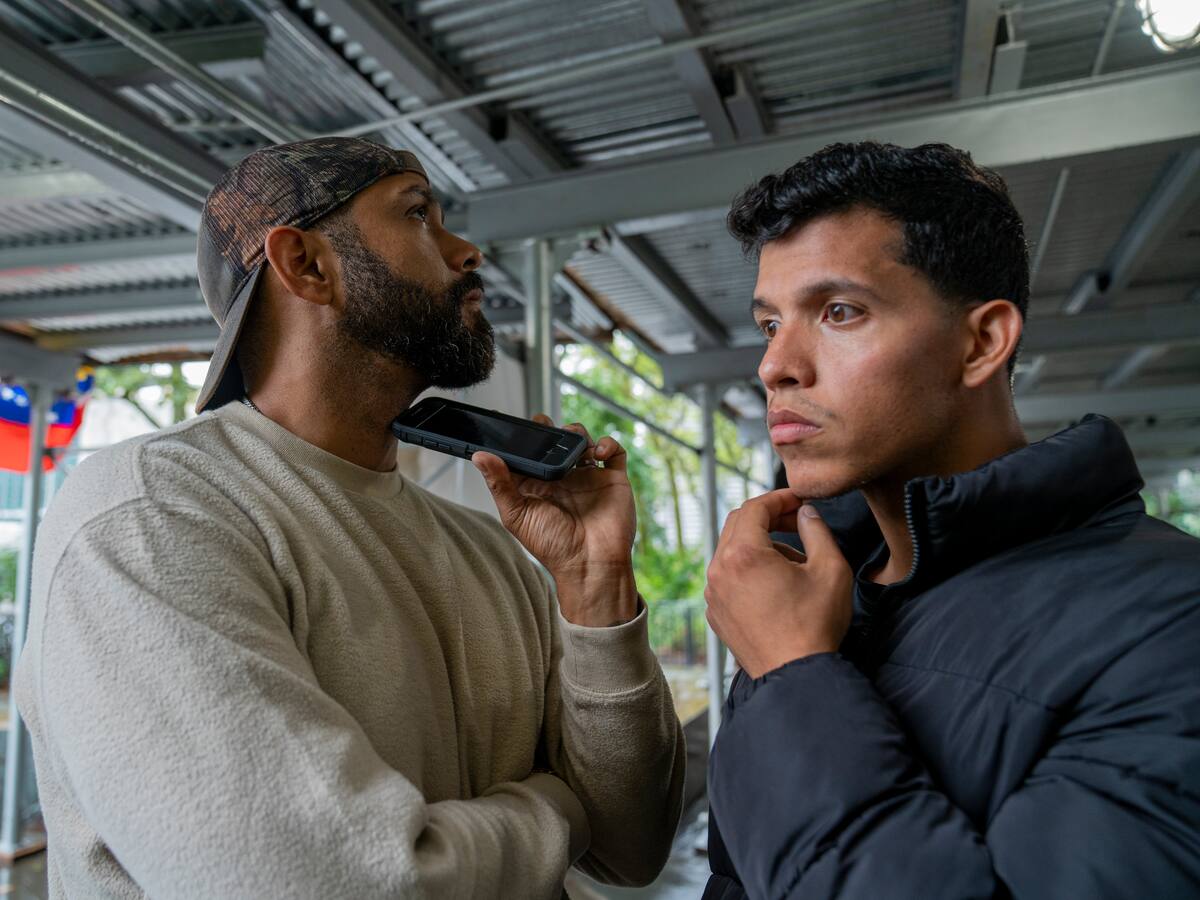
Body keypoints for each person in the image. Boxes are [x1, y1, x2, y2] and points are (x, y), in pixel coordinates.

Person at [15, 137, 685, 899]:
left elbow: (633, 847)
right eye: (420, 216)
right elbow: (320, 884)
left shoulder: (490, 554)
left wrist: (596, 590)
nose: (466, 252)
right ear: (305, 265)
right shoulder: (152, 515)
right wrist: (562, 808)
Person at [701, 142, 1200, 899]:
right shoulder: (814, 594)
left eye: (838, 311)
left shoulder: (1173, 624)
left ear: (982, 342)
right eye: (771, 324)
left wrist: (796, 681)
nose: (775, 366)